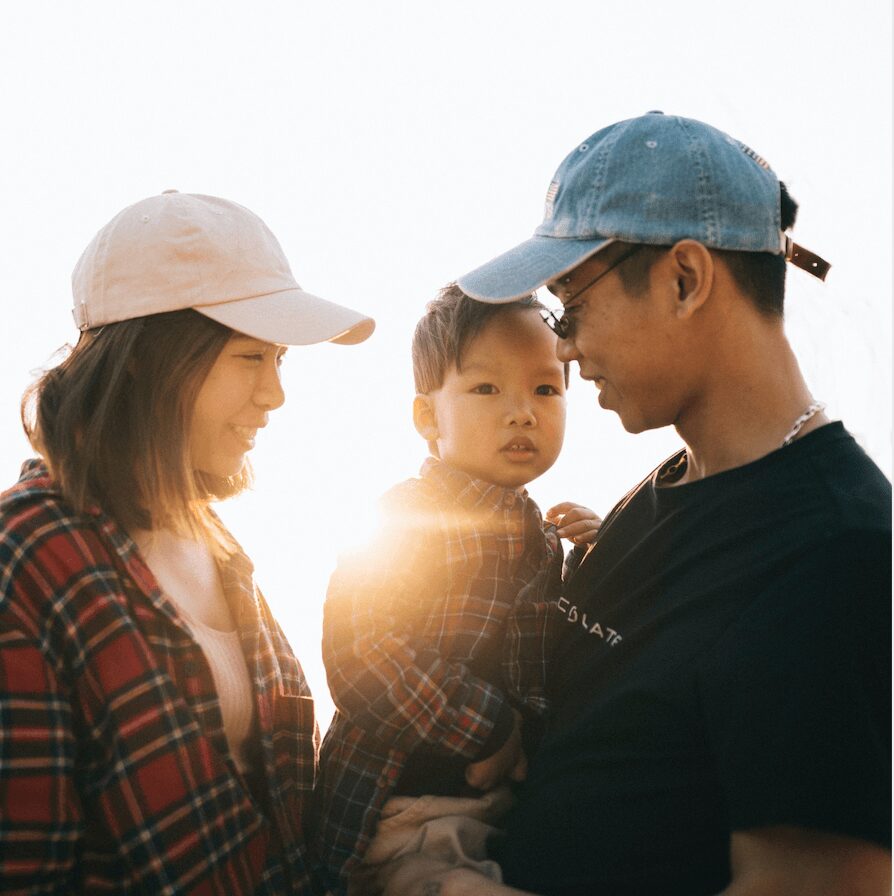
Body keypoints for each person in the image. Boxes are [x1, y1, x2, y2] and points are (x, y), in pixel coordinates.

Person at [388, 112, 892, 895]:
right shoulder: (659, 493)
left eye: (571, 305)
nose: (562, 346)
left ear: (684, 280)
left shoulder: (833, 549)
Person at [0, 191, 374, 895]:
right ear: (148, 358)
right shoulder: (26, 559)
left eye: (280, 360)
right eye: (249, 356)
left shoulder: (220, 549)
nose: (276, 394)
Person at [312, 285, 601, 895]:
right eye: (486, 389)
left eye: (546, 389)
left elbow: (554, 662)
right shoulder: (409, 518)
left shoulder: (545, 539)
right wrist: (491, 728)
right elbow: (360, 653)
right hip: (397, 821)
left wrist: (601, 557)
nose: (522, 411)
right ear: (427, 418)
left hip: (490, 819)